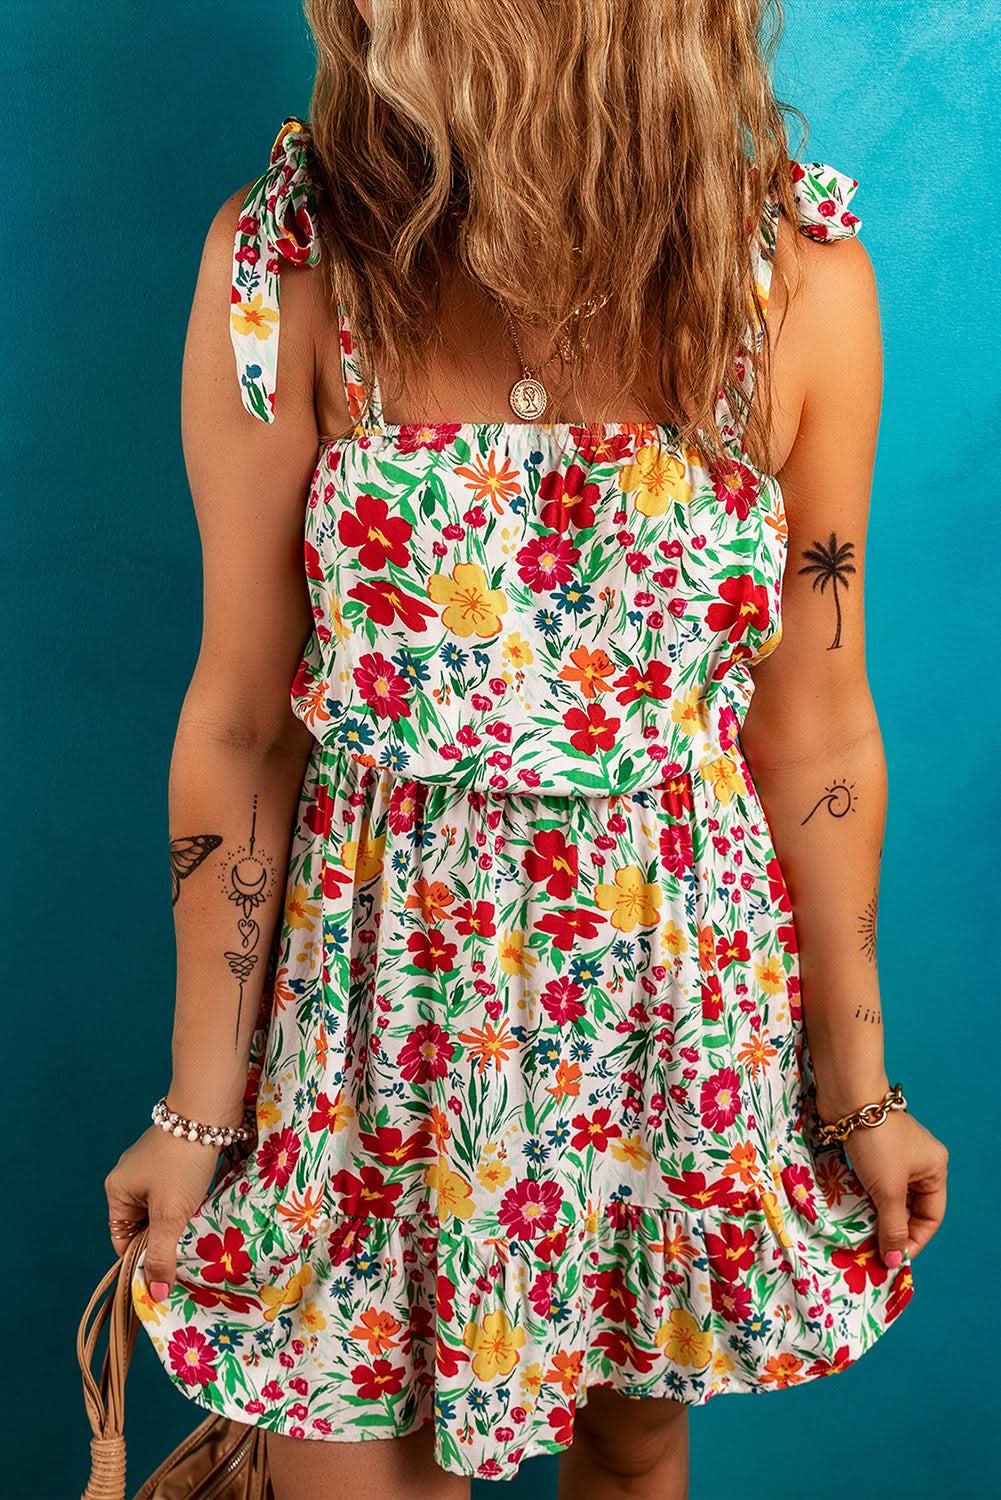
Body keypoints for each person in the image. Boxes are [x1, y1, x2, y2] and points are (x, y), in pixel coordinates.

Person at [103, 2, 948, 1497]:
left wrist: (858, 1088)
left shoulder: (794, 285)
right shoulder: (287, 266)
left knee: (631, 1448)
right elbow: (241, 721)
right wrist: (196, 1106)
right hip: (374, 1026)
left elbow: (814, 727)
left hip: (671, 1023)